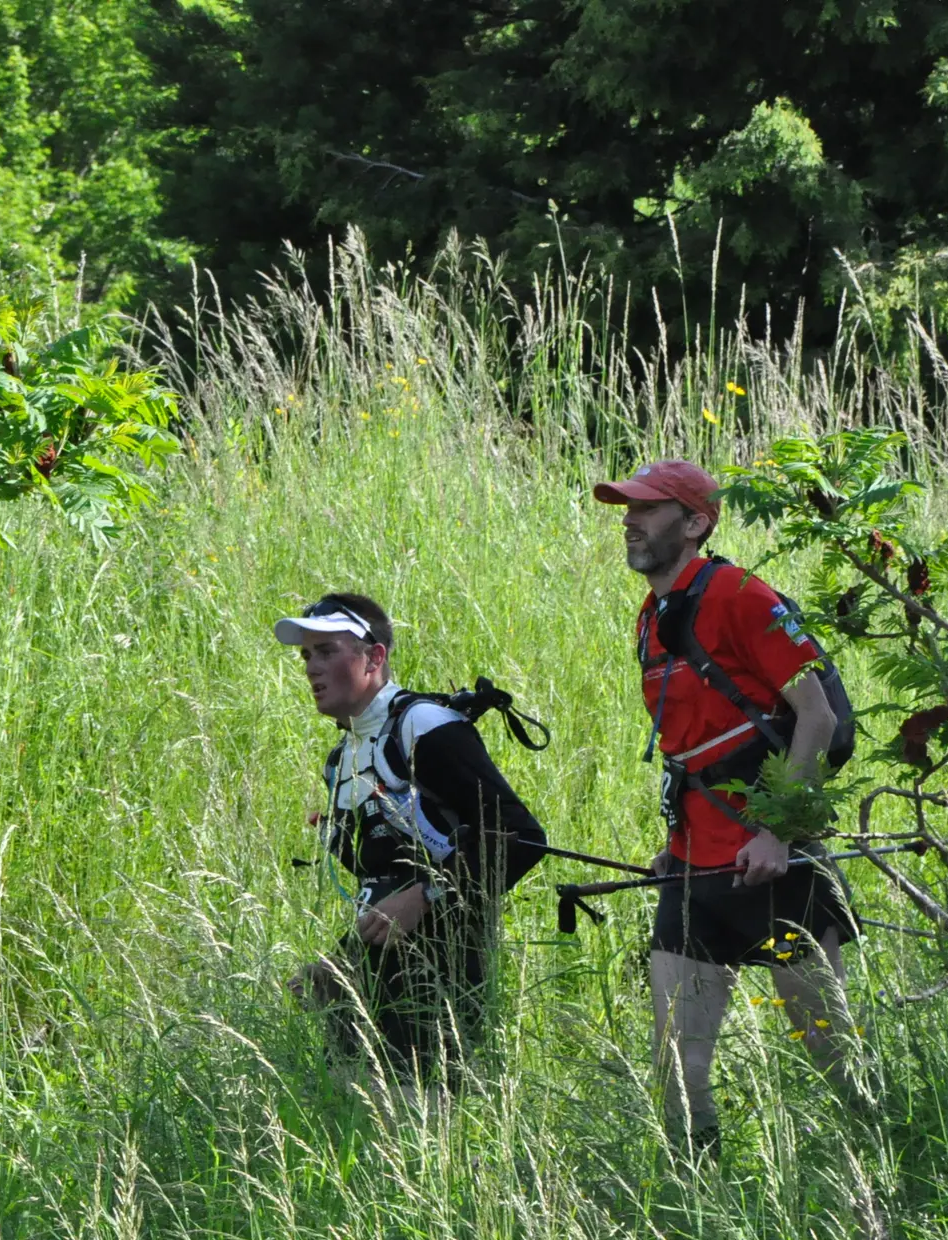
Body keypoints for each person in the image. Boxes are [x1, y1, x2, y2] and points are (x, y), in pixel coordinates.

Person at [593, 460, 860, 1155]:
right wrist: (675, 838)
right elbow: (695, 744)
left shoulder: (741, 595)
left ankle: (875, 1178)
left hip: (777, 869)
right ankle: (700, 1212)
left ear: (694, 523)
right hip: (692, 870)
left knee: (831, 1060)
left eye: (648, 508)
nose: (630, 520)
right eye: (627, 508)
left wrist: (775, 831)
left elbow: (818, 718)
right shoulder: (651, 618)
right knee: (678, 1075)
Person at [276, 592, 546, 1084]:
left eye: (327, 651)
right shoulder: (342, 757)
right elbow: (385, 891)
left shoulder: (422, 726)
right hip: (377, 977)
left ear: (375, 656)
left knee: (424, 1131)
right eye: (306, 656)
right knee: (355, 1133)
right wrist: (338, 968)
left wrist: (429, 894)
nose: (312, 668)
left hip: (442, 976)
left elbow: (520, 836)